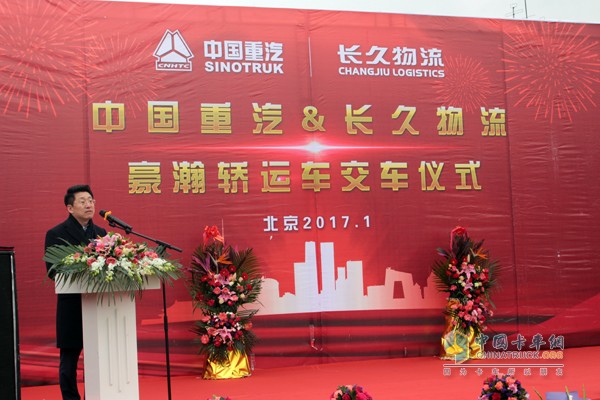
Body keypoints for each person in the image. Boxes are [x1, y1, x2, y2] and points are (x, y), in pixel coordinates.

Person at [45, 184, 106, 400]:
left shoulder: (102, 234)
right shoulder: (56, 234)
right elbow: (52, 270)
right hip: (72, 306)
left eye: (91, 200)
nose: (89, 205)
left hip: (98, 305)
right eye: (83, 201)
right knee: (69, 361)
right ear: (70, 208)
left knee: (98, 358)